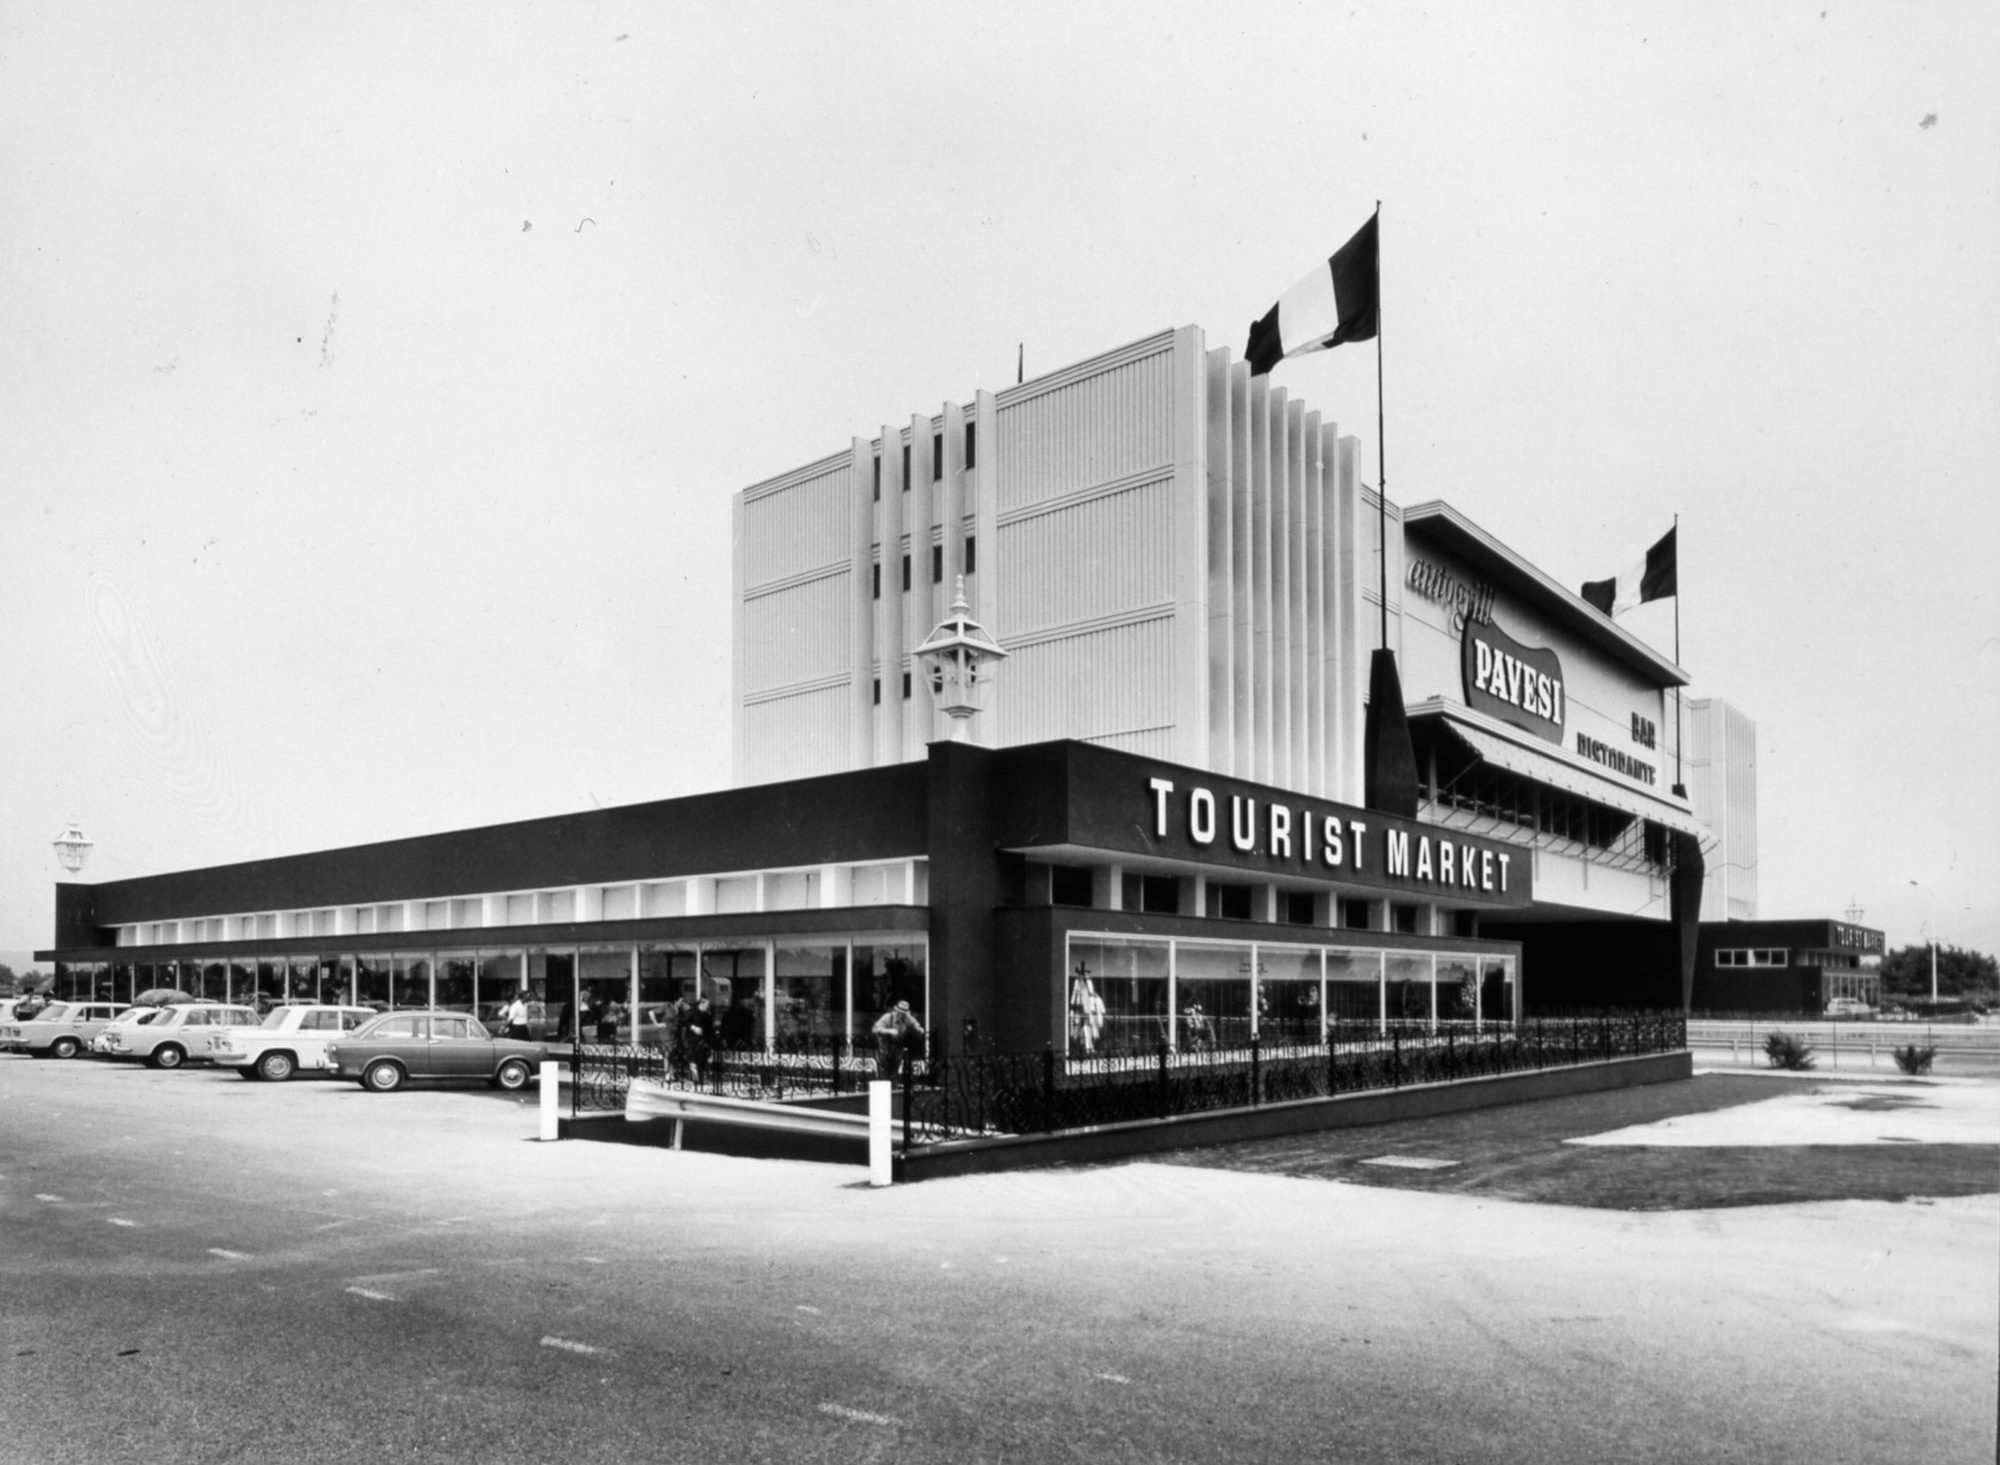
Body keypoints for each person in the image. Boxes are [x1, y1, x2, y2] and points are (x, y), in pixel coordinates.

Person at [871, 1000, 924, 1080]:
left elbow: (920, 1029)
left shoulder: (907, 1019)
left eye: (904, 1014)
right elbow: (874, 1029)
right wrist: (889, 1031)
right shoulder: (888, 1017)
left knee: (895, 1073)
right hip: (885, 1048)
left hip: (897, 1048)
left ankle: (894, 1087)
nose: (901, 1015)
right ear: (896, 1011)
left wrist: (915, 1025)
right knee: (884, 1073)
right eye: (900, 1013)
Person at [679, 996, 715, 1082]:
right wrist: (693, 1027)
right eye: (707, 1004)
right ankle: (696, 1078)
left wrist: (711, 1040)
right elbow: (683, 1022)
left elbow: (710, 1029)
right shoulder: (692, 1012)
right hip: (692, 1039)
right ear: (701, 1004)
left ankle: (702, 1078)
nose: (708, 1006)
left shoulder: (707, 1014)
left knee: (703, 1058)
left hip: (704, 1040)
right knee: (694, 1058)